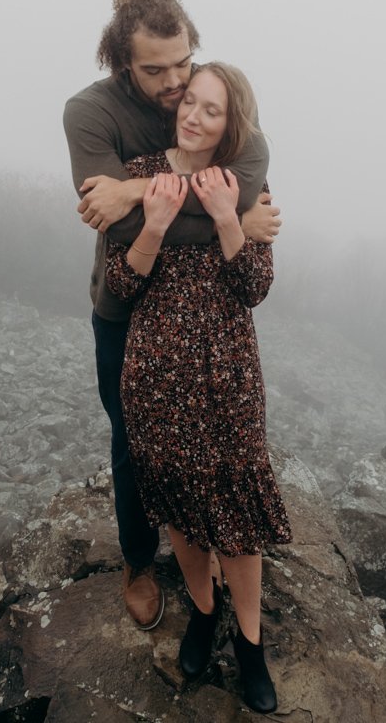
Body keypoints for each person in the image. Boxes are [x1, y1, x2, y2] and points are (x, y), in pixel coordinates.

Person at [62, 0, 281, 632]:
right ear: (122, 63)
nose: (176, 84)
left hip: (203, 317)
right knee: (136, 443)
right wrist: (183, 210)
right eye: (156, 71)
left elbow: (246, 178)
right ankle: (137, 560)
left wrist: (138, 189)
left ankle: (204, 546)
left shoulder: (210, 101)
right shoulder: (90, 113)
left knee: (211, 442)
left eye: (183, 63)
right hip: (127, 305)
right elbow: (121, 224)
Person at [105, 62, 289, 714]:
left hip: (228, 376)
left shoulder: (245, 184)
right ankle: (204, 613)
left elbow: (255, 289)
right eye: (192, 103)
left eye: (213, 110)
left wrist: (226, 217)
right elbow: (120, 289)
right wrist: (154, 226)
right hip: (156, 377)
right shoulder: (140, 174)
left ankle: (249, 643)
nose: (195, 116)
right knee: (183, 511)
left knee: (236, 514)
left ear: (230, 122)